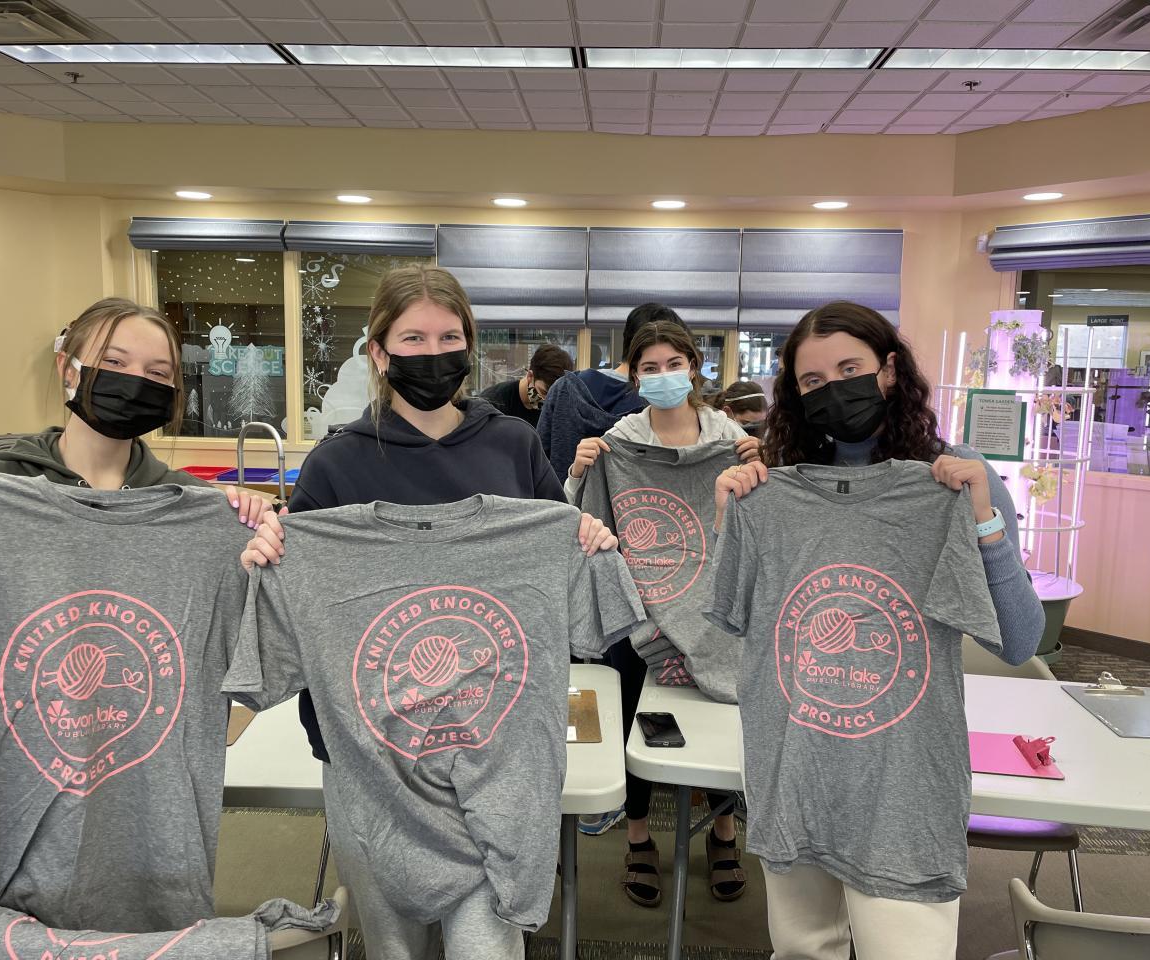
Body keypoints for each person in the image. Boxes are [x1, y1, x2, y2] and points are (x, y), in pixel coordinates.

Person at [239, 265, 615, 960]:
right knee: (394, 947)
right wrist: (270, 550)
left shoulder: (513, 445)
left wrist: (583, 537)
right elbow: (299, 592)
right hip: (372, 762)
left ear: (469, 345)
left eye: (449, 337)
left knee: (486, 944)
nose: (432, 352)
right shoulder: (335, 465)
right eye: (413, 338)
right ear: (379, 351)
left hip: (494, 750)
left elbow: (553, 564)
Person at [713, 301, 1045, 960]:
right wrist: (732, 519)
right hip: (795, 770)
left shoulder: (954, 479)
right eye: (813, 381)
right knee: (802, 951)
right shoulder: (773, 490)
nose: (833, 389)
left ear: (889, 370)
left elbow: (1019, 642)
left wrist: (983, 517)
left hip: (904, 785)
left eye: (850, 369)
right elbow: (729, 627)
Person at [564, 320, 761, 907]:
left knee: (720, 716)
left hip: (713, 606)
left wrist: (761, 466)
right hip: (640, 610)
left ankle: (722, 832)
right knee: (633, 721)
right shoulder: (617, 442)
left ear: (694, 367)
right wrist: (578, 473)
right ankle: (638, 837)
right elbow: (576, 523)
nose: (663, 376)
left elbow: (761, 522)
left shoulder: (730, 436)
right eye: (649, 367)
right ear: (634, 376)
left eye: (673, 364)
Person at [0, 297, 278, 531]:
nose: (136, 382)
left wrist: (253, 527)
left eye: (157, 372)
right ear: (68, 369)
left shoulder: (189, 501)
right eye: (114, 362)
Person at [537, 302, 688, 480]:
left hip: (563, 494)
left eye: (674, 364)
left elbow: (537, 461)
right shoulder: (659, 402)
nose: (665, 374)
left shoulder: (564, 388)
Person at [479, 343, 573, 428]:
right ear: (530, 376)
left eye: (554, 396)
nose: (547, 401)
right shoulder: (493, 403)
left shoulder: (555, 409)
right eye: (544, 392)